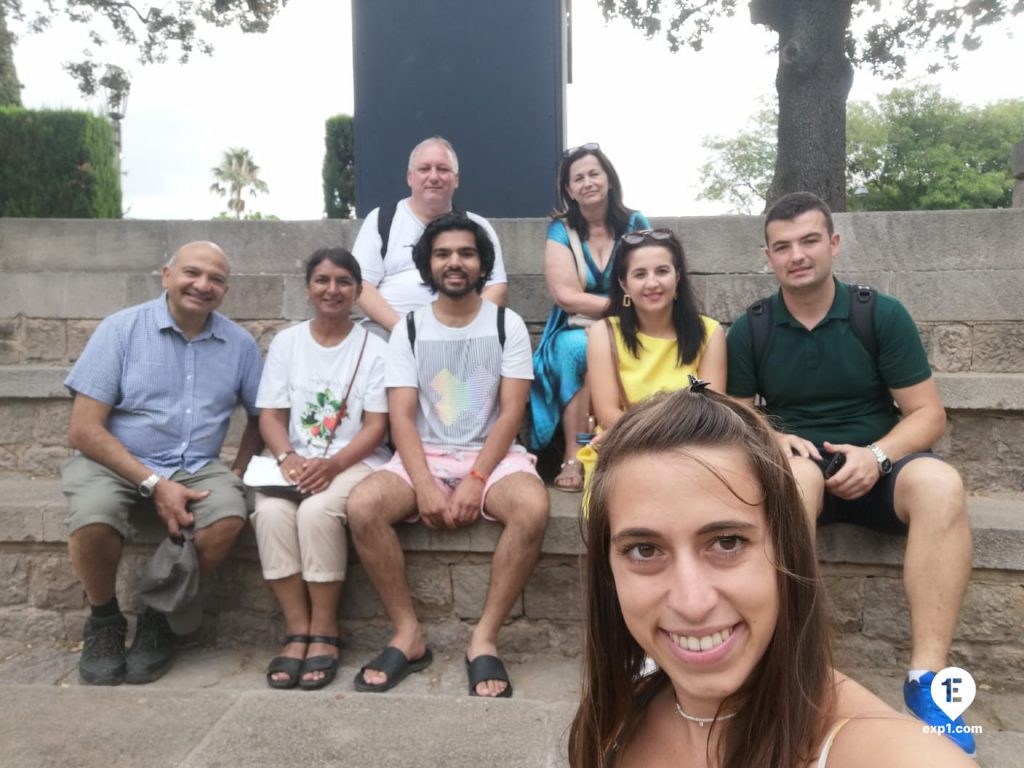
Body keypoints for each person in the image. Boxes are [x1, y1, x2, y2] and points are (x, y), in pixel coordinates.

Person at [569, 385, 974, 768]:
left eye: (727, 542)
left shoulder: (900, 754)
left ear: (787, 550)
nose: (692, 604)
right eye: (644, 550)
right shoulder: (613, 718)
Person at [725, 192, 975, 755]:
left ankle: (928, 682)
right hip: (801, 467)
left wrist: (877, 455)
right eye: (782, 246)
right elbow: (735, 413)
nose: (797, 255)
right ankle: (787, 672)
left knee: (941, 485)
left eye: (809, 240)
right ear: (768, 256)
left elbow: (927, 414)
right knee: (797, 481)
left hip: (879, 463)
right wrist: (771, 436)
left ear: (833, 244)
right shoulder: (752, 329)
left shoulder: (878, 315)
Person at [346, 212, 549, 698]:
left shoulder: (506, 324)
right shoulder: (409, 329)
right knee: (363, 506)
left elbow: (511, 413)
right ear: (427, 264)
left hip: (492, 455)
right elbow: (401, 417)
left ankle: (484, 640)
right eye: (442, 254)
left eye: (465, 253)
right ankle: (407, 634)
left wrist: (477, 478)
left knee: (533, 507)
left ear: (482, 264)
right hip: (426, 454)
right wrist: (423, 484)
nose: (454, 262)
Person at [62, 241, 263, 686]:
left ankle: (159, 617)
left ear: (225, 290)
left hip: (196, 464)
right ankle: (104, 620)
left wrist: (238, 470)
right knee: (93, 514)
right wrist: (155, 483)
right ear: (167, 275)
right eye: (192, 273)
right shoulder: (120, 330)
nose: (203, 285)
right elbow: (83, 429)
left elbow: (262, 415)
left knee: (229, 515)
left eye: (216, 279)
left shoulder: (239, 344)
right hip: (115, 460)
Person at [251, 248, 391, 691]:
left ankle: (325, 630)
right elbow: (271, 416)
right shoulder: (287, 343)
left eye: (344, 281)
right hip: (294, 463)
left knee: (316, 513)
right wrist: (287, 457)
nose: (332, 290)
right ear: (308, 287)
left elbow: (376, 427)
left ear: (358, 291)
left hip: (353, 461)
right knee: (270, 514)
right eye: (322, 280)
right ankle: (297, 630)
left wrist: (332, 466)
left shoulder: (375, 348)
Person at [529, 143, 650, 492]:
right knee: (574, 349)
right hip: (576, 325)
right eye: (578, 178)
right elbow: (566, 296)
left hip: (633, 322)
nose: (588, 182)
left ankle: (613, 451)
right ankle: (575, 453)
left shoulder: (636, 223)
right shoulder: (561, 230)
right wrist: (622, 302)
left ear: (609, 179)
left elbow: (649, 277)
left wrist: (620, 310)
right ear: (569, 190)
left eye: (594, 174)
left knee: (606, 347)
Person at [350, 136, 508, 337]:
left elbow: (497, 288)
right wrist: (405, 333)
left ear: (456, 179)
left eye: (442, 169)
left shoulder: (477, 227)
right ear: (410, 177)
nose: (433, 177)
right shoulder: (381, 220)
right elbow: (362, 285)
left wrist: (466, 329)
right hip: (389, 331)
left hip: (461, 334)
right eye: (424, 169)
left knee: (492, 348)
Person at [587, 228, 726, 436]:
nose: (652, 283)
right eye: (640, 274)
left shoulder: (710, 333)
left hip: (689, 444)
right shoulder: (603, 333)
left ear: (677, 276)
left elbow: (709, 413)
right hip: (623, 445)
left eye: (662, 271)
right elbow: (608, 416)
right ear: (624, 284)